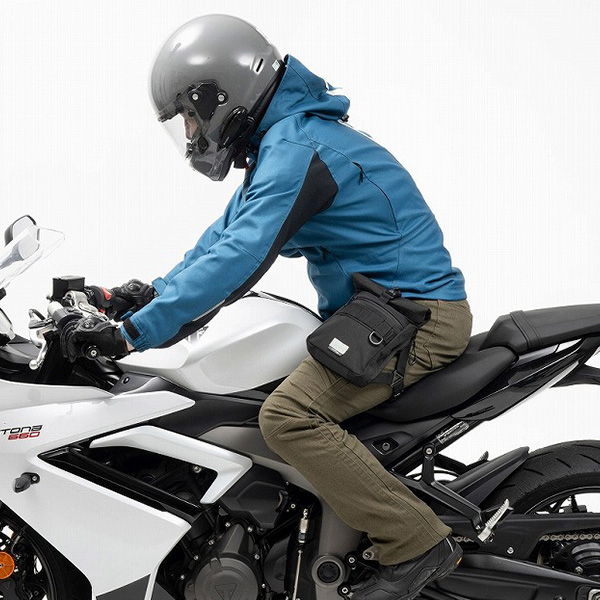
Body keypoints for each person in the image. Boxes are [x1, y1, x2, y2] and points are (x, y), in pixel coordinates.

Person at [61, 14, 472, 600]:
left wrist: (131, 335)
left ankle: (415, 543)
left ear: (223, 95)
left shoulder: (299, 149)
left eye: (191, 116)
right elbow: (219, 243)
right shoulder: (287, 144)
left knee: (288, 418)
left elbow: (239, 258)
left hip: (415, 320)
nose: (191, 132)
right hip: (380, 316)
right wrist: (138, 297)